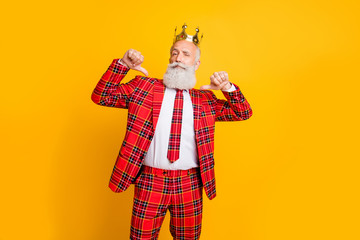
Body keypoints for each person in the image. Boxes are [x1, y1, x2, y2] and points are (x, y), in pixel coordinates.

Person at [91, 25, 253, 240]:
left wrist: (227, 88)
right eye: (174, 52)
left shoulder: (205, 100)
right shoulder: (143, 87)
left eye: (186, 54)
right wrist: (123, 66)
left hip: (190, 184)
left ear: (197, 64)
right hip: (150, 181)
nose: (178, 58)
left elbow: (243, 113)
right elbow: (101, 96)